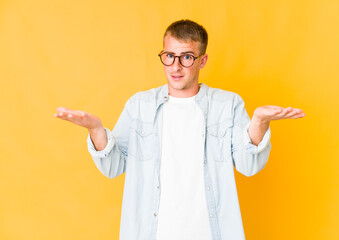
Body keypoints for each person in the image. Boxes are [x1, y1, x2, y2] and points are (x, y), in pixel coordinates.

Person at [54, 19, 305, 240]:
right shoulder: (139, 105)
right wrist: (96, 130)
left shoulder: (227, 104)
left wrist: (260, 122)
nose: (175, 66)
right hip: (152, 233)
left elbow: (248, 166)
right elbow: (113, 167)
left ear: (202, 60)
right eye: (169, 56)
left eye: (186, 57)